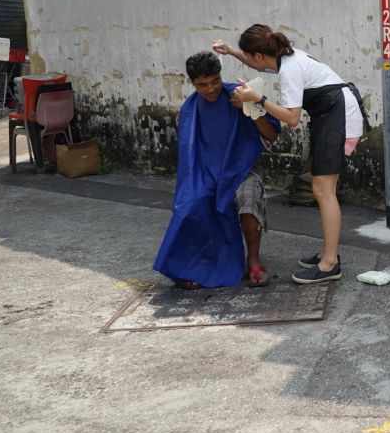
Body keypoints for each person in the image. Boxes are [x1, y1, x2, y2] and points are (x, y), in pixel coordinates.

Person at [213, 26, 368, 284]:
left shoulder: (289, 70)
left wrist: (258, 99)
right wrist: (230, 51)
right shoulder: (285, 56)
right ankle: (326, 254)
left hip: (337, 114)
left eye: (250, 57)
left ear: (260, 55)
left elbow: (292, 119)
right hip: (331, 113)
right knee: (321, 187)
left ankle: (329, 263)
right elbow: (256, 62)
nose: (251, 63)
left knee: (323, 189)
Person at [153, 51, 280, 288]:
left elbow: (271, 135)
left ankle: (253, 261)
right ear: (192, 83)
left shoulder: (240, 95)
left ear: (220, 76)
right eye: (202, 85)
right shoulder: (190, 109)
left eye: (215, 82)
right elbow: (190, 157)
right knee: (190, 203)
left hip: (243, 171)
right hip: (206, 174)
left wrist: (250, 108)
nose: (211, 89)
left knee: (248, 199)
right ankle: (195, 264)